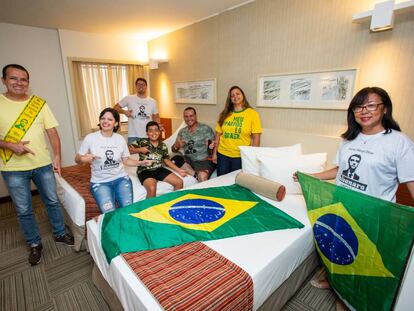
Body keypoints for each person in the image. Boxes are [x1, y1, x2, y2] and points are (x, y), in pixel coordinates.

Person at [294, 87, 414, 298]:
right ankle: (333, 282)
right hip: (342, 206)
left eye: (371, 105)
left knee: (365, 260)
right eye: (358, 107)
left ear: (384, 109)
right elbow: (339, 170)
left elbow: (410, 181)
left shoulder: (399, 141)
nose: (364, 111)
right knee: (338, 249)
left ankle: (352, 298)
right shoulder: (349, 139)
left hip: (373, 214)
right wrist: (310, 176)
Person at [0, 64, 74, 266]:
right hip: (13, 168)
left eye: (23, 79)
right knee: (24, 209)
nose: (19, 83)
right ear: (4, 80)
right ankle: (34, 243)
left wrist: (57, 156)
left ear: (28, 82)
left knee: (52, 201)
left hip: (42, 164)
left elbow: (52, 132)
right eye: (14, 78)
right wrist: (8, 145)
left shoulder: (39, 104)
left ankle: (60, 233)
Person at [75, 108, 152, 214]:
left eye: (110, 119)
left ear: (116, 123)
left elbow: (126, 160)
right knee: (109, 213)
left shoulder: (120, 139)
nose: (105, 121)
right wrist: (82, 159)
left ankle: (127, 229)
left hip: (121, 179)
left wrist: (141, 163)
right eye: (103, 118)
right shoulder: (90, 138)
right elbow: (77, 159)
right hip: (100, 183)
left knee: (128, 211)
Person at [212, 86, 262, 176]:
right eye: (232, 95)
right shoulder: (224, 113)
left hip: (240, 156)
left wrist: (253, 157)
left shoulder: (252, 114)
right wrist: (215, 153)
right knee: (220, 182)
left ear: (243, 95)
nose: (235, 97)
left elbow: (256, 138)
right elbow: (218, 135)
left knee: (235, 184)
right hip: (223, 154)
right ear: (230, 99)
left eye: (238, 94)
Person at [130, 121, 187, 198]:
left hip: (159, 169)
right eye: (150, 130)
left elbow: (167, 160)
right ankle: (149, 209)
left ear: (159, 132)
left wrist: (179, 170)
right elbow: (127, 149)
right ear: (147, 133)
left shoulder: (163, 145)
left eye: (156, 130)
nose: (154, 133)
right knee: (152, 188)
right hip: (145, 170)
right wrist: (139, 150)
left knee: (179, 182)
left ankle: (172, 204)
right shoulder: (142, 142)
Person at [113, 77, 161, 149]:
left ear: (146, 87)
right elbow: (115, 107)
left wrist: (158, 130)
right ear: (136, 86)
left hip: (148, 135)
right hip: (133, 136)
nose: (141, 86)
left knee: (147, 157)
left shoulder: (152, 101)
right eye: (139, 84)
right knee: (133, 157)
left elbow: (156, 117)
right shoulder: (129, 98)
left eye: (143, 84)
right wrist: (124, 112)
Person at [171, 107, 216, 182]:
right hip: (188, 161)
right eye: (186, 116)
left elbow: (212, 150)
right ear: (184, 118)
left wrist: (210, 146)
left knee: (203, 176)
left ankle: (198, 176)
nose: (189, 119)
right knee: (175, 159)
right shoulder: (182, 132)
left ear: (195, 116)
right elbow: (173, 149)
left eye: (191, 116)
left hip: (202, 161)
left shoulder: (205, 129)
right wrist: (177, 145)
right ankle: (195, 174)